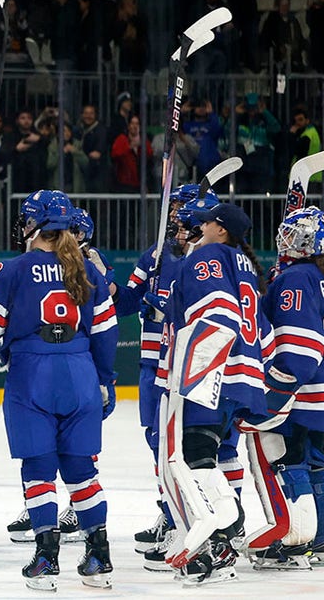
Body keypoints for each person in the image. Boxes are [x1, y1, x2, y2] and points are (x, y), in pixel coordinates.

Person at [0, 190, 117, 591]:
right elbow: (107, 332)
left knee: (39, 470)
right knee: (82, 471)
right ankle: (99, 554)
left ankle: (47, 556)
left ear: (35, 225)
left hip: (32, 375)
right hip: (80, 372)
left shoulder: (14, 269)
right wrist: (105, 380)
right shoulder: (86, 269)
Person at [154, 202, 267, 586]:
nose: (200, 226)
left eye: (208, 222)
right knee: (207, 454)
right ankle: (224, 536)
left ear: (222, 231)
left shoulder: (211, 257)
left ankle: (218, 540)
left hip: (211, 371)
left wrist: (192, 371)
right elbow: (261, 330)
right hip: (242, 377)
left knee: (193, 457)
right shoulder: (244, 264)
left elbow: (217, 312)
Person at [110, 185, 216, 560]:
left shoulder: (206, 258)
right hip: (152, 362)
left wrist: (164, 301)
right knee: (157, 440)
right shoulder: (154, 253)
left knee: (196, 444)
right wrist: (105, 279)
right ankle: (171, 513)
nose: (174, 214)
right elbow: (126, 303)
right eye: (172, 206)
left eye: (181, 207)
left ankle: (211, 521)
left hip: (188, 364)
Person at [244, 207, 324, 571]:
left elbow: (300, 350)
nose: (283, 238)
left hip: (302, 390)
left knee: (288, 458)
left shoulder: (296, 280)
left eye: (291, 234)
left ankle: (295, 541)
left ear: (304, 241)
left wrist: (277, 388)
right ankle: (321, 539)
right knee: (318, 458)